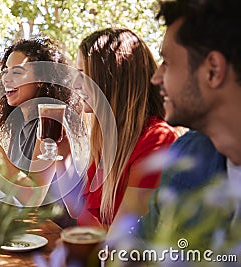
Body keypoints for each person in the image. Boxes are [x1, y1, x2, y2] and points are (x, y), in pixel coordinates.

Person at [137, 0, 241, 239]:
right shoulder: (186, 154)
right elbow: (139, 248)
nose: (156, 78)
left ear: (212, 70)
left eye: (168, 63)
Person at [57, 28, 178, 231]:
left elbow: (121, 240)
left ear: (112, 79)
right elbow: (77, 210)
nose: (75, 84)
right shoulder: (108, 136)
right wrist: (62, 154)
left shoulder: (156, 139)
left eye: (83, 73)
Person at [0, 37, 83, 226]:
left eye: (17, 72)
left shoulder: (50, 123)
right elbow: (11, 186)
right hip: (29, 227)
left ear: (40, 81)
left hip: (54, 232)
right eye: (5, 72)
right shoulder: (21, 122)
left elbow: (32, 198)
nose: (6, 79)